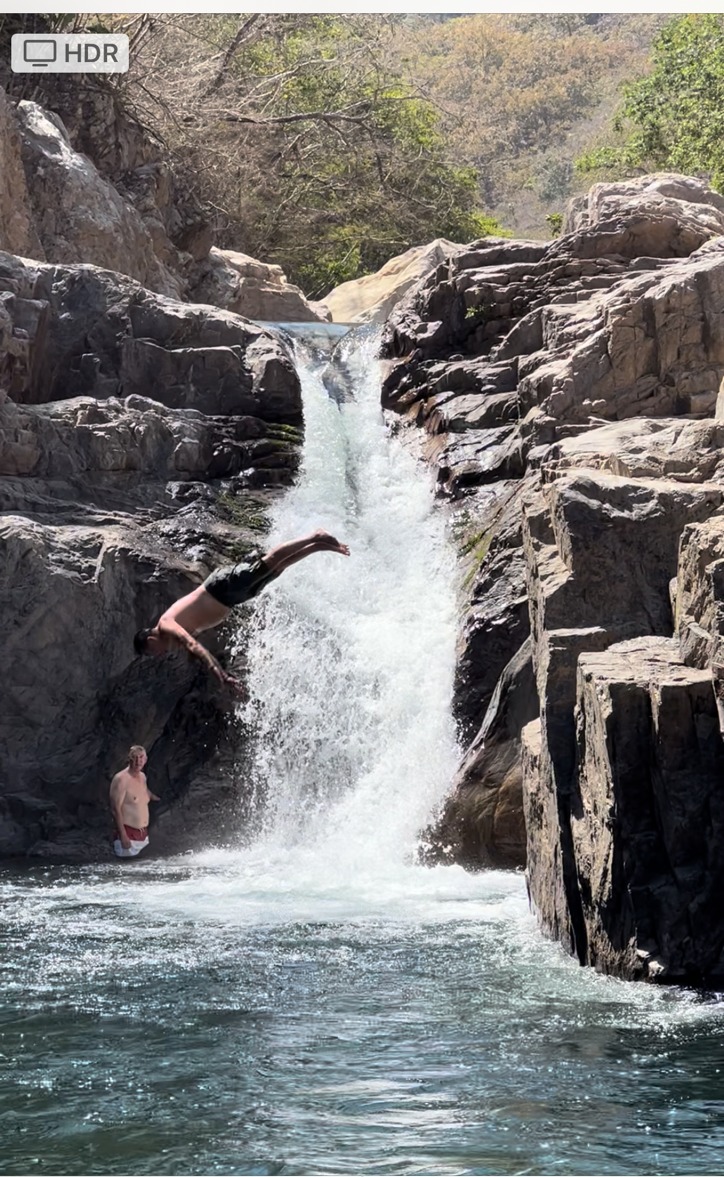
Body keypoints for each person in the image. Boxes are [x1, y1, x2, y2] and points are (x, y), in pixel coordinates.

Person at [133, 529, 350, 692]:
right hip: (231, 599)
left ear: (151, 642)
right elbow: (193, 650)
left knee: (268, 563)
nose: (160, 654)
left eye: (154, 652)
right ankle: (317, 546)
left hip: (221, 587)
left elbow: (193, 644)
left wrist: (219, 674)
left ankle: (314, 536)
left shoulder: (166, 624)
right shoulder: (172, 637)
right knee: (277, 569)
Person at [109, 745, 159, 859]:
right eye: (134, 757)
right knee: (129, 874)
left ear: (145, 759)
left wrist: (157, 798)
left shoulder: (142, 777)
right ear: (129, 759)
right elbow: (115, 809)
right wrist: (123, 835)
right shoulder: (121, 779)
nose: (138, 761)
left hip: (143, 835)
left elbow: (144, 793)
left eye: (141, 757)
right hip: (128, 836)